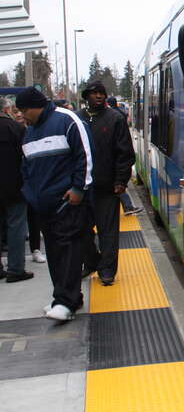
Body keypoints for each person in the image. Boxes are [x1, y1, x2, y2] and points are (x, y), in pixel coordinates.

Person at [17, 87, 93, 321]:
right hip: (43, 205)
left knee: (69, 250)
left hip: (67, 202)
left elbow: (85, 154)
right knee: (55, 253)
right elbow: (26, 167)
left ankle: (65, 301)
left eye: (23, 110)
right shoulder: (30, 133)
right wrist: (29, 194)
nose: (21, 115)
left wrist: (79, 188)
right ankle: (64, 296)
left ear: (35, 106)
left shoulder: (67, 121)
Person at [78, 82, 135, 286]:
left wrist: (121, 180)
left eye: (102, 93)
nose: (99, 96)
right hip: (82, 187)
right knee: (80, 229)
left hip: (107, 186)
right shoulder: (78, 118)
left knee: (108, 232)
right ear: (87, 96)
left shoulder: (115, 119)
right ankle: (92, 261)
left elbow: (125, 153)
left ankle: (107, 271)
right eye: (94, 93)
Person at [0, 96, 34, 282]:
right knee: (16, 227)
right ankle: (15, 269)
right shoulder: (15, 128)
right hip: (14, 187)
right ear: (6, 110)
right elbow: (28, 156)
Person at [107, 96, 142, 216]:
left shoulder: (111, 116)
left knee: (117, 186)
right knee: (118, 186)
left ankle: (128, 207)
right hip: (117, 161)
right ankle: (128, 207)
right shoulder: (120, 113)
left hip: (113, 161)